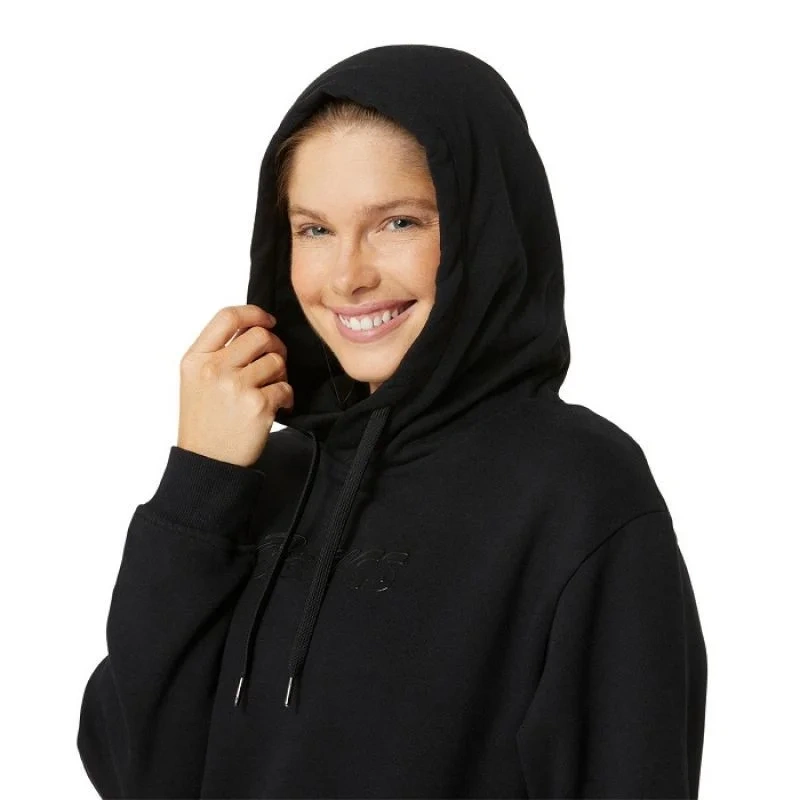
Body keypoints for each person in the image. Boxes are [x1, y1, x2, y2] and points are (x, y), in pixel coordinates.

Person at [76, 44, 708, 799]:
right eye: (314, 229)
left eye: (397, 222)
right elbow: (133, 771)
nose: (348, 276)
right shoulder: (264, 479)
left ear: (479, 232)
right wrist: (198, 486)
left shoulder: (577, 490)